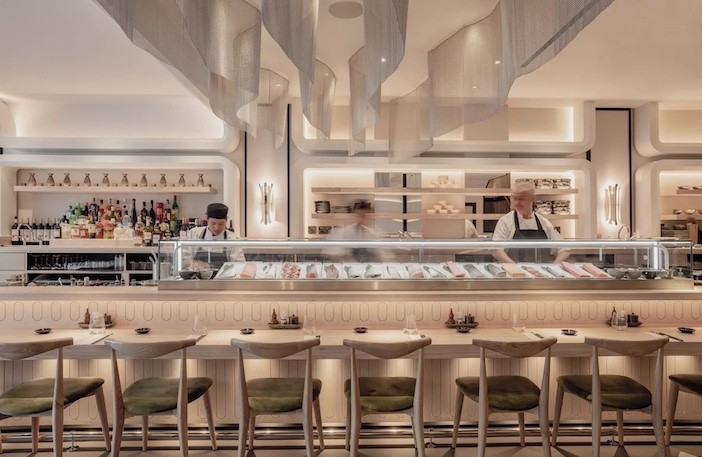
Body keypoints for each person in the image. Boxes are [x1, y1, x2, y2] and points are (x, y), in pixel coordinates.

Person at [491, 182, 569, 263]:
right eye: (515, 198)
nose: (517, 202)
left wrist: (554, 266)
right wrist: (515, 267)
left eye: (521, 198)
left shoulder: (543, 222)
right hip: (513, 270)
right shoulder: (505, 221)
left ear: (532, 199)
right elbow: (496, 250)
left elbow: (565, 249)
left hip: (541, 270)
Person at [187, 203, 245, 269]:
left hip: (223, 275)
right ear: (206, 218)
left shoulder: (232, 239)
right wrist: (193, 263)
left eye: (221, 224)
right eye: (213, 223)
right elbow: (183, 259)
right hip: (198, 274)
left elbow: (239, 265)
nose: (217, 228)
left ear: (226, 220)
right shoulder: (194, 234)